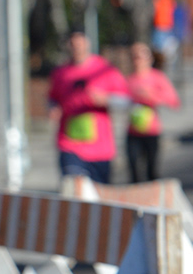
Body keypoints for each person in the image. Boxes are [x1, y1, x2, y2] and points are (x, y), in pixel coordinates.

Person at [47, 29, 128, 184]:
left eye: (80, 44)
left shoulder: (104, 69)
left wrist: (107, 100)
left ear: (88, 44)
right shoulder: (61, 73)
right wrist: (52, 108)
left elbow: (126, 101)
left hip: (100, 149)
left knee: (98, 198)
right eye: (73, 44)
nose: (77, 48)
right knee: (73, 188)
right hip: (69, 144)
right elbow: (52, 98)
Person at [125, 42, 180, 182]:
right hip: (133, 131)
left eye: (141, 56)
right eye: (134, 56)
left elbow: (174, 101)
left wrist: (152, 96)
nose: (137, 60)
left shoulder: (157, 77)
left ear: (149, 58)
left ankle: (153, 201)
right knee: (133, 170)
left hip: (151, 131)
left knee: (152, 171)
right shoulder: (129, 79)